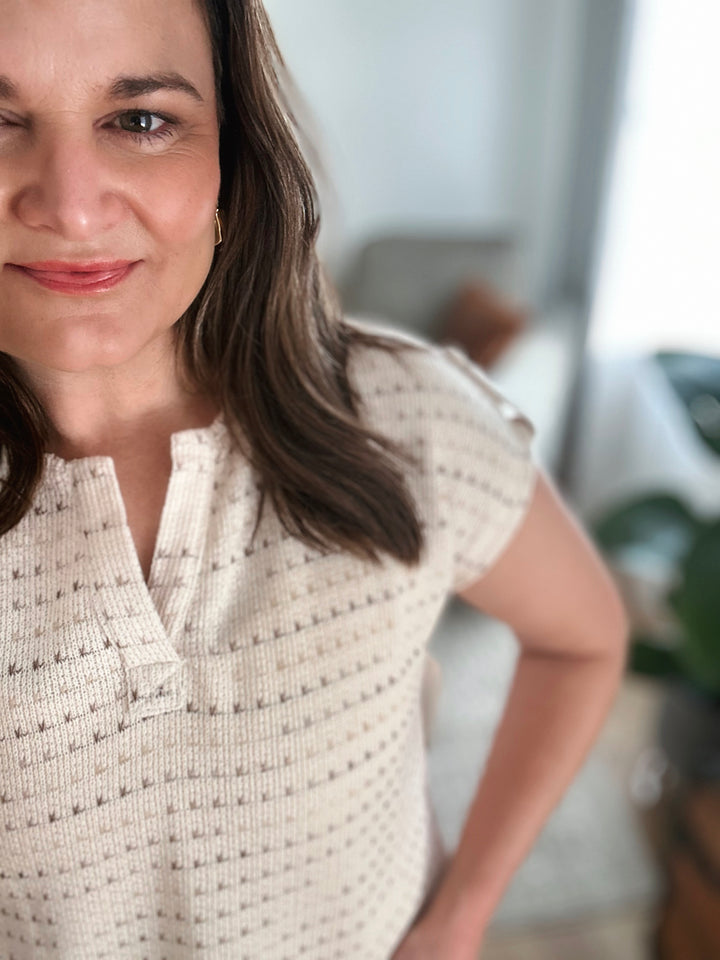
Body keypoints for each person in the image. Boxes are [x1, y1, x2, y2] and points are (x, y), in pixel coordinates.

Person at [0, 1, 629, 958]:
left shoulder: (404, 423)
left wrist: (461, 915)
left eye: (140, 120)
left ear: (231, 165)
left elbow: (583, 640)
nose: (72, 203)